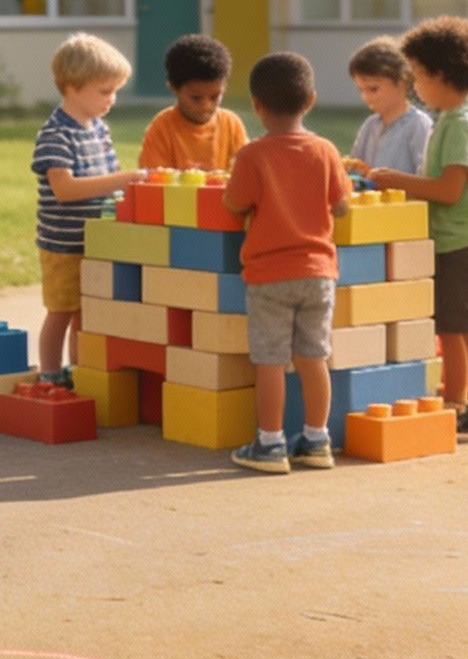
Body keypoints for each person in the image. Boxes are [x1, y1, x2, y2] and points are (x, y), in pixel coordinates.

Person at [370, 16, 468, 444]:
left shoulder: (463, 124)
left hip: (465, 241)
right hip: (449, 240)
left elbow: (449, 189)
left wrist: (398, 180)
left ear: (443, 75)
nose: (414, 86)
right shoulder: (450, 117)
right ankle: (458, 402)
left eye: (419, 76)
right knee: (449, 326)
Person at [221, 52, 353, 474]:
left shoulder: (252, 155)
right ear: (310, 100)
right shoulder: (326, 150)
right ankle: (317, 440)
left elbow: (235, 202)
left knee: (270, 362)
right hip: (318, 273)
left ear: (256, 105)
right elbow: (343, 205)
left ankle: (270, 443)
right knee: (314, 358)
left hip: (269, 276)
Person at [33, 34, 143, 380]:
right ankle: (50, 374)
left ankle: (79, 371)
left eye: (115, 91)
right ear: (73, 87)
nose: (112, 99)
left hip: (95, 241)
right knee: (61, 311)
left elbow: (109, 182)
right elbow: (64, 189)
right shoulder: (55, 134)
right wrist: (124, 179)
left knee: (86, 313)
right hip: (63, 246)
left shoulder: (99, 130)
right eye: (105, 91)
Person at [138, 33, 249, 171]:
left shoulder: (232, 125)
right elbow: (153, 179)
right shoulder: (161, 128)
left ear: (224, 87)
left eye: (215, 97)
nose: (206, 106)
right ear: (173, 88)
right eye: (196, 98)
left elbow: (246, 173)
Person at [346, 35, 432, 178]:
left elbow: (426, 178)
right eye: (361, 90)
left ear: (402, 81)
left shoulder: (418, 125)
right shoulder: (370, 125)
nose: (366, 97)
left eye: (373, 89)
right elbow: (355, 169)